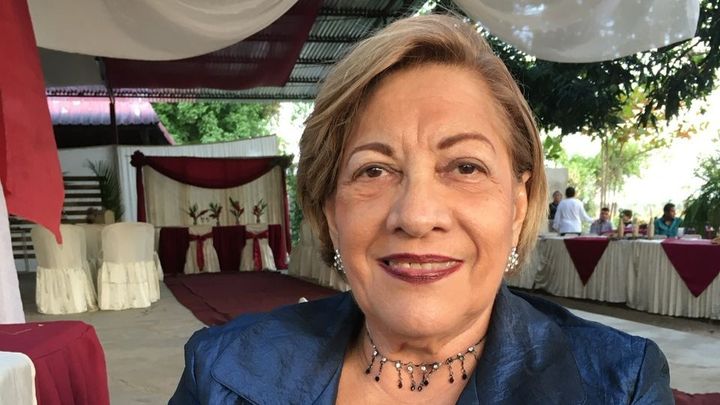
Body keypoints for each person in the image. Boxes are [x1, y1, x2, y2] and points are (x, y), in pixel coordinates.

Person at [170, 15, 671, 404]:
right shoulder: (220, 372)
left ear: (517, 206)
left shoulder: (619, 384)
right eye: (374, 170)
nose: (416, 215)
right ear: (330, 212)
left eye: (466, 167)